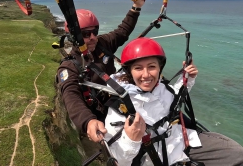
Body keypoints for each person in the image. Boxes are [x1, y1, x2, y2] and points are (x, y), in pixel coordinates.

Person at [104, 37, 243, 166]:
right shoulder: (119, 108)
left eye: (152, 66)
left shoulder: (163, 88)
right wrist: (131, 140)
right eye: (138, 68)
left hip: (181, 141)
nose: (146, 75)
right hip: (150, 158)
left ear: (160, 68)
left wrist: (188, 77)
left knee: (237, 155)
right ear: (130, 72)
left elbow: (176, 94)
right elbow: (118, 161)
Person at [56, 0, 148, 158]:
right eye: (85, 34)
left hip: (121, 101)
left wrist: (136, 7)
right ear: (73, 37)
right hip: (102, 115)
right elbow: (71, 95)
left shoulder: (102, 44)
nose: (92, 37)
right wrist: (88, 121)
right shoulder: (69, 66)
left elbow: (122, 31)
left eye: (94, 32)